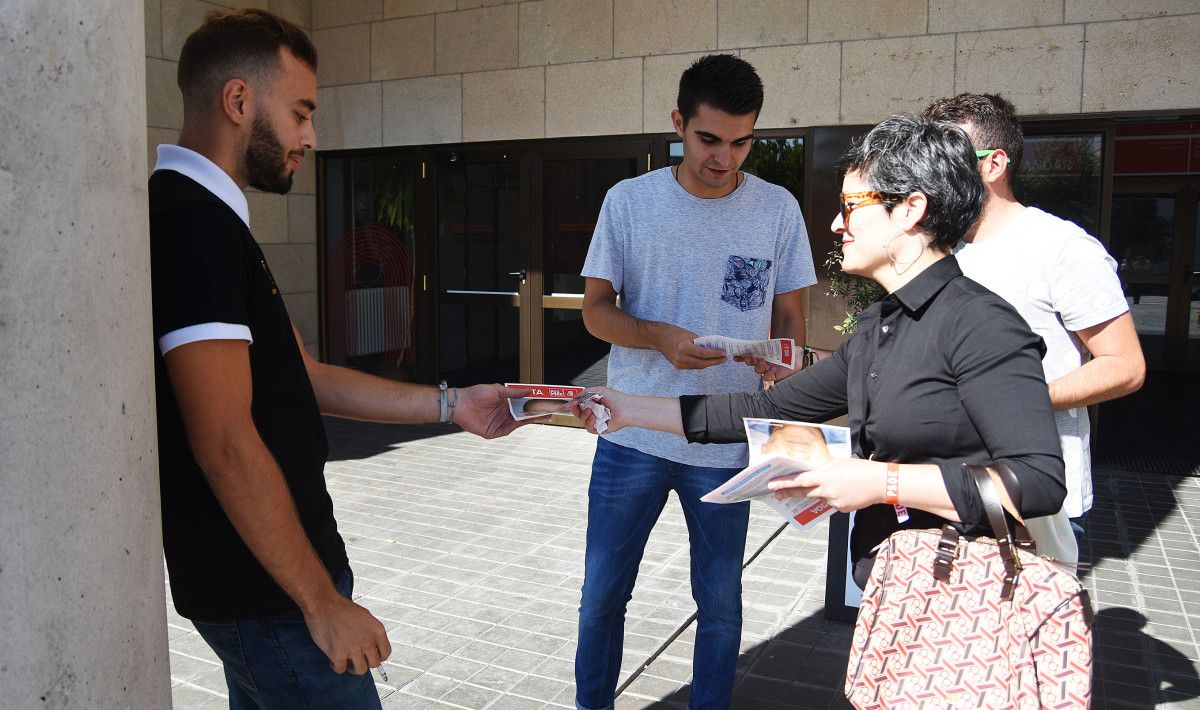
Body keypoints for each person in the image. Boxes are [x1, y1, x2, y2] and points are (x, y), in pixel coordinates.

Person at [149, 9, 529, 708]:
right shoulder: (191, 227)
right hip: (275, 602)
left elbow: (307, 377)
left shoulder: (215, 221)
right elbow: (226, 443)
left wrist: (452, 405)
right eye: (300, 112)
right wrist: (322, 604)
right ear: (238, 102)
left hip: (274, 593)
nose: (310, 136)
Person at [575, 113, 1066, 596]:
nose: (837, 223)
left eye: (852, 206)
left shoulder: (982, 324)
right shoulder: (881, 325)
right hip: (895, 587)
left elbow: (1037, 480)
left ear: (911, 210)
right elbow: (766, 410)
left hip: (963, 600)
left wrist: (880, 483)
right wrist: (629, 409)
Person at [576, 54, 817, 710]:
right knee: (602, 597)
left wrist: (785, 365)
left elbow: (790, 318)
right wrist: (657, 336)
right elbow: (595, 311)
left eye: (742, 142)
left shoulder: (777, 208)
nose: (725, 158)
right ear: (678, 122)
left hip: (727, 440)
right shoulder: (629, 202)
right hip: (633, 434)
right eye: (710, 139)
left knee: (719, 604)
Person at [921, 94, 1144, 541]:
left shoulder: (1061, 247)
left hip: (1033, 496)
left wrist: (1017, 403)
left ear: (994, 164)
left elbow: (1125, 367)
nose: (933, 171)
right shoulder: (936, 246)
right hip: (944, 486)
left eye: (949, 155)